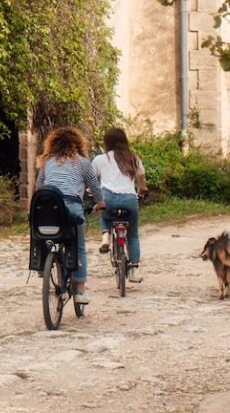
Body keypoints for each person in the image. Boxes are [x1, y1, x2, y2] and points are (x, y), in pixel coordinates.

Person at [34, 126, 104, 305]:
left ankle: (43, 263)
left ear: (53, 145)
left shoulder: (47, 162)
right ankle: (79, 290)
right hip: (71, 207)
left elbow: (39, 187)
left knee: (44, 235)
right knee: (78, 247)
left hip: (48, 208)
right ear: (78, 145)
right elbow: (95, 187)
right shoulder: (82, 162)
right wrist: (101, 202)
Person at [91, 128, 147, 282]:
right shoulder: (134, 159)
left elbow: (91, 180)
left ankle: (105, 237)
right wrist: (142, 191)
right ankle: (134, 271)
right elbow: (142, 183)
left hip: (108, 198)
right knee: (133, 235)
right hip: (129, 200)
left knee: (104, 211)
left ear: (106, 142)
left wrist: (92, 193)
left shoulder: (100, 159)